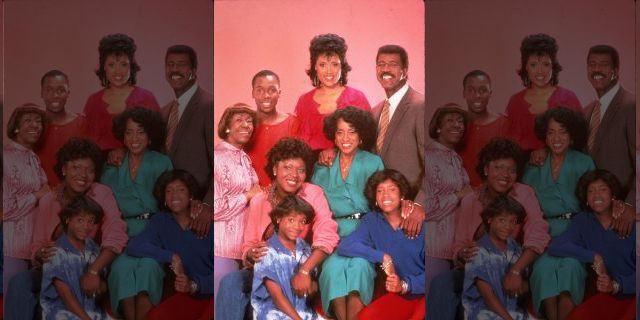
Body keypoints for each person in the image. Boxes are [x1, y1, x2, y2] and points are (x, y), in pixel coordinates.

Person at [215, 138, 339, 319]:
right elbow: (248, 244)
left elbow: (327, 232)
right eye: (287, 167)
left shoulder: (313, 193)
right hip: (264, 267)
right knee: (230, 282)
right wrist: (251, 253)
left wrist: (305, 270)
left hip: (298, 266)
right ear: (274, 169)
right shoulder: (259, 200)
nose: (294, 175)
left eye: (301, 170)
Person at [426, 138, 550, 320]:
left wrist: (516, 270)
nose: (505, 175)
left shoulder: (524, 193)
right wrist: (462, 253)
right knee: (441, 282)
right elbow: (459, 244)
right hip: (475, 268)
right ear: (486, 170)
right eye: (498, 168)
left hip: (510, 266)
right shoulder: (470, 200)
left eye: (512, 170)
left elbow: (538, 233)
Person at [4, 138, 127, 320]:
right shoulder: (48, 201)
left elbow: (116, 233)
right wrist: (40, 253)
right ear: (64, 170)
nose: (83, 175)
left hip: (87, 265)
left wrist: (94, 270)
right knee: (19, 282)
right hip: (54, 266)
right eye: (76, 167)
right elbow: (37, 244)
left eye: (89, 169)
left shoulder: (101, 193)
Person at [521, 107, 594, 319]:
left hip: (575, 231)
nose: (556, 138)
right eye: (551, 132)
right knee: (543, 271)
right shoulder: (534, 165)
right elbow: (523, 203)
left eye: (562, 131)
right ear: (545, 136)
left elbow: (594, 201)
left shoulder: (583, 162)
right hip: (544, 233)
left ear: (572, 136)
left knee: (570, 269)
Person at [311, 106, 383, 318]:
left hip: (364, 231)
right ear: (333, 136)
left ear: (361, 135)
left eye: (352, 131)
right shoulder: (323, 166)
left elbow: (381, 203)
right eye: (340, 132)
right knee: (332, 272)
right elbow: (314, 205)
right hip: (334, 233)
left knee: (359, 270)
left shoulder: (373, 162)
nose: (346, 138)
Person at [101, 107, 173, 319]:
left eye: (140, 132)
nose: (134, 138)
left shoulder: (161, 162)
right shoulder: (112, 166)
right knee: (121, 271)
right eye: (129, 132)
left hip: (153, 232)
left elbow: (170, 202)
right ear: (122, 137)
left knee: (148, 270)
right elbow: (103, 204)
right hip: (123, 233)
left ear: (150, 136)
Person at [337, 169, 425, 320]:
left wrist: (405, 285)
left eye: (392, 190)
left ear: (402, 194)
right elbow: (345, 245)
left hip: (424, 293)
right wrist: (382, 257)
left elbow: (435, 272)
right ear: (375, 198)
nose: (386, 196)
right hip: (400, 297)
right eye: (380, 191)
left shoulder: (417, 221)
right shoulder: (372, 221)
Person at [548, 170, 636, 320]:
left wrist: (616, 286)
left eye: (603, 190)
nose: (597, 196)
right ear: (586, 198)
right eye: (591, 191)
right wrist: (594, 257)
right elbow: (556, 245)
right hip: (611, 297)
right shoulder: (583, 221)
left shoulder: (629, 220)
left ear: (612, 194)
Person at [127, 170, 214, 320]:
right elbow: (135, 245)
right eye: (169, 191)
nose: (175, 196)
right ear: (164, 199)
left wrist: (194, 285)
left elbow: (222, 273)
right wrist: (171, 256)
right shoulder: (161, 222)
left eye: (181, 190)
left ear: (191, 195)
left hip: (213, 293)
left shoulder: (206, 222)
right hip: (187, 297)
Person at [83, 33, 160, 161]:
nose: (118, 71)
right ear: (104, 67)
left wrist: (126, 151)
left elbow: (156, 140)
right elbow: (88, 146)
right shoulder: (93, 101)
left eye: (123, 64)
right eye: (112, 64)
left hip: (139, 168)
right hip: (100, 170)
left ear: (131, 67)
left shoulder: (146, 97)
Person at [505, 33, 582, 161]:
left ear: (553, 66)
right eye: (533, 65)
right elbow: (510, 147)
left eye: (546, 64)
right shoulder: (515, 102)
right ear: (526, 67)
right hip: (524, 170)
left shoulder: (568, 97)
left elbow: (579, 140)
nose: (540, 71)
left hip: (562, 167)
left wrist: (548, 151)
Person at [294, 33, 371, 157]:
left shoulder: (357, 97)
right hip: (312, 169)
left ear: (342, 66)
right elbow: (299, 145)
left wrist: (337, 152)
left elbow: (368, 140)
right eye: (323, 65)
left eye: (334, 64)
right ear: (315, 67)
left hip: (348, 166)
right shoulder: (304, 101)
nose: (329, 71)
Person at [424, 104, 472, 297]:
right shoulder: (428, 156)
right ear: (438, 127)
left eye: (460, 121)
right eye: (450, 121)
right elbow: (425, 207)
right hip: (434, 246)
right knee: (435, 304)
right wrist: (458, 196)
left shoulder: (455, 158)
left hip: (454, 248)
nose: (457, 125)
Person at [214, 104, 260, 298]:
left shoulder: (244, 158)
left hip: (243, 248)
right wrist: (247, 196)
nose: (246, 125)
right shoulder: (217, 157)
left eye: (249, 121)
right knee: (222, 306)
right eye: (239, 120)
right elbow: (215, 208)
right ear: (226, 127)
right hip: (222, 246)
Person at [3, 105, 50, 293]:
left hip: (32, 248)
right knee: (13, 305)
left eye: (38, 121)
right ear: (15, 127)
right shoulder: (6, 157)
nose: (35, 125)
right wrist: (37, 195)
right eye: (28, 120)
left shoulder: (33, 157)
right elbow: (4, 208)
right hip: (11, 247)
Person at [372, 44, 426, 207]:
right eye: (381, 64)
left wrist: (420, 204)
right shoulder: (375, 112)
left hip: (411, 208)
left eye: (393, 64)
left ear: (405, 70)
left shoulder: (421, 105)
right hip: (382, 207)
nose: (386, 69)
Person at [584, 45, 636, 205]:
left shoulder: (632, 105)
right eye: (592, 64)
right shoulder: (587, 111)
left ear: (616, 70)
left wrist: (630, 205)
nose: (597, 69)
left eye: (604, 64)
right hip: (593, 209)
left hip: (622, 210)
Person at [251, 195, 318, 320]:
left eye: (302, 221)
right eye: (291, 220)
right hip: (275, 314)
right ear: (278, 219)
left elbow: (313, 282)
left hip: (303, 312)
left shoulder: (304, 247)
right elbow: (277, 297)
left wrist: (313, 285)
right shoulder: (266, 252)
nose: (297, 226)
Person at [162, 45, 214, 204]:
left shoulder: (209, 105)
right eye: (170, 65)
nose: (175, 69)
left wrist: (208, 204)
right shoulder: (165, 111)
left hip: (199, 208)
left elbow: (219, 163)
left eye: (181, 64)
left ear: (194, 69)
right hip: (169, 206)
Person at [40, 196, 106, 320]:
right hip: (62, 313)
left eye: (90, 221)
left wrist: (99, 285)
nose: (85, 226)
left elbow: (102, 283)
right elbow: (66, 295)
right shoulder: (55, 252)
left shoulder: (93, 247)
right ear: (67, 219)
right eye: (80, 220)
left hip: (90, 310)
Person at [462, 195, 527, 320]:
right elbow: (488, 296)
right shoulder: (477, 252)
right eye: (502, 220)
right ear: (489, 219)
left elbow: (523, 283)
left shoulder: (515, 248)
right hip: (484, 314)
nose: (508, 226)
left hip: (512, 311)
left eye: (512, 221)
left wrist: (521, 286)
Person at [246, 69, 300, 186]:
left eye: (272, 90)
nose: (266, 96)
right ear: (253, 93)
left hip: (284, 196)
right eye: (260, 90)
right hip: (250, 196)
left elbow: (299, 165)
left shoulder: (292, 123)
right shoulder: (244, 125)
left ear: (279, 93)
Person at [458, 70, 510, 187]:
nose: (477, 96)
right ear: (464, 93)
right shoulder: (455, 126)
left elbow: (510, 166)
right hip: (460, 196)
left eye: (483, 90)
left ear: (490, 93)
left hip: (495, 196)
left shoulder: (504, 124)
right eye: (471, 90)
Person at [36, 70, 88, 187]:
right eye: (49, 90)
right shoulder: (34, 126)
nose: (55, 95)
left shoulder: (81, 123)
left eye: (60, 90)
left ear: (68, 93)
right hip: (40, 196)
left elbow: (88, 164)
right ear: (42, 93)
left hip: (73, 195)